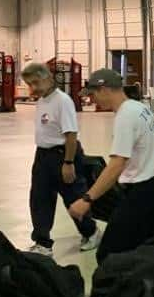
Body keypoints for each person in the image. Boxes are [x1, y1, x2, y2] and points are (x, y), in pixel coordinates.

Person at [68, 69, 154, 265]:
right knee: (145, 252)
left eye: (93, 94)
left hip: (142, 195)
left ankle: (114, 294)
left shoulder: (125, 116)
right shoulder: (140, 107)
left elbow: (117, 164)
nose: (93, 100)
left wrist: (87, 199)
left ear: (104, 89)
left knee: (109, 255)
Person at [21, 62, 101, 257]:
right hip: (42, 155)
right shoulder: (42, 100)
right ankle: (42, 243)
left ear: (48, 78)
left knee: (73, 198)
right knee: (39, 199)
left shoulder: (62, 101)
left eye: (35, 83)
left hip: (63, 154)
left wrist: (68, 163)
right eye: (29, 84)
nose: (33, 88)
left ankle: (91, 232)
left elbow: (71, 135)